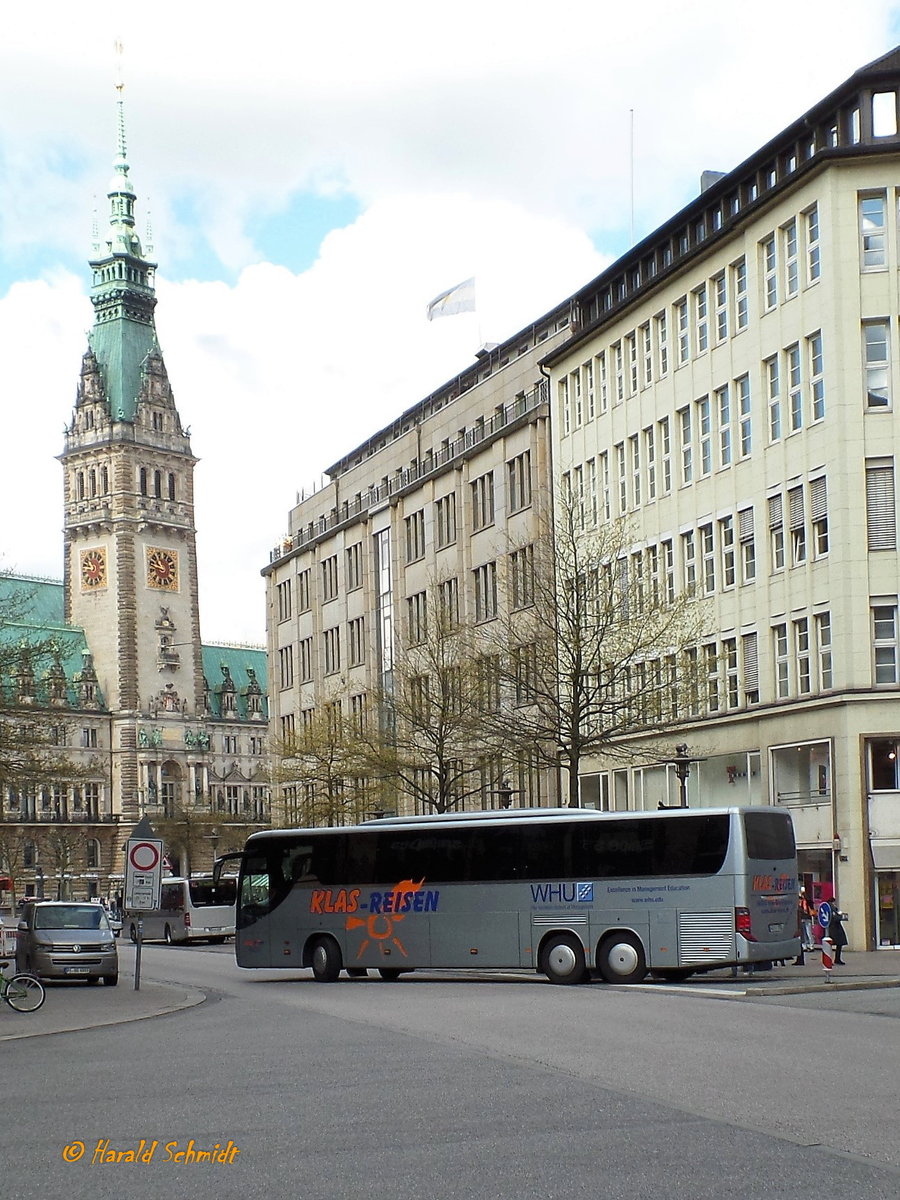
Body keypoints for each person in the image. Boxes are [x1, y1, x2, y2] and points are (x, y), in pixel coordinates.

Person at [828, 900, 848, 965]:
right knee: (837, 944)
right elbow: (835, 918)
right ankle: (835, 959)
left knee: (837, 944)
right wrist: (840, 916)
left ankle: (836, 959)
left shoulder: (831, 908)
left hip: (834, 928)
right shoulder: (832, 908)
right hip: (835, 929)